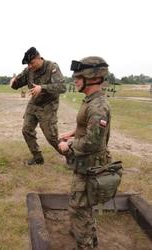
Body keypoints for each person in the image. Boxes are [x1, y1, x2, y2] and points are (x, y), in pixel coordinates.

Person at [58, 56, 111, 249]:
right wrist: (72, 132)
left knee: (79, 208)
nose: (75, 80)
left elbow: (93, 141)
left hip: (90, 166)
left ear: (92, 78)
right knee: (83, 205)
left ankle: (85, 244)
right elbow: (87, 127)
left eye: (79, 77)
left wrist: (69, 145)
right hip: (85, 164)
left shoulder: (98, 106)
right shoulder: (90, 101)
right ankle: (89, 237)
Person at [10, 47, 66, 165]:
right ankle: (37, 158)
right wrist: (13, 81)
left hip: (48, 105)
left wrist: (43, 88)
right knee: (26, 130)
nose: (30, 66)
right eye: (28, 64)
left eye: (32, 63)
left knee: (51, 137)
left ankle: (72, 157)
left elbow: (62, 87)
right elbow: (17, 84)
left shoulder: (52, 67)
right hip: (34, 104)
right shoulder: (29, 70)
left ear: (39, 58)